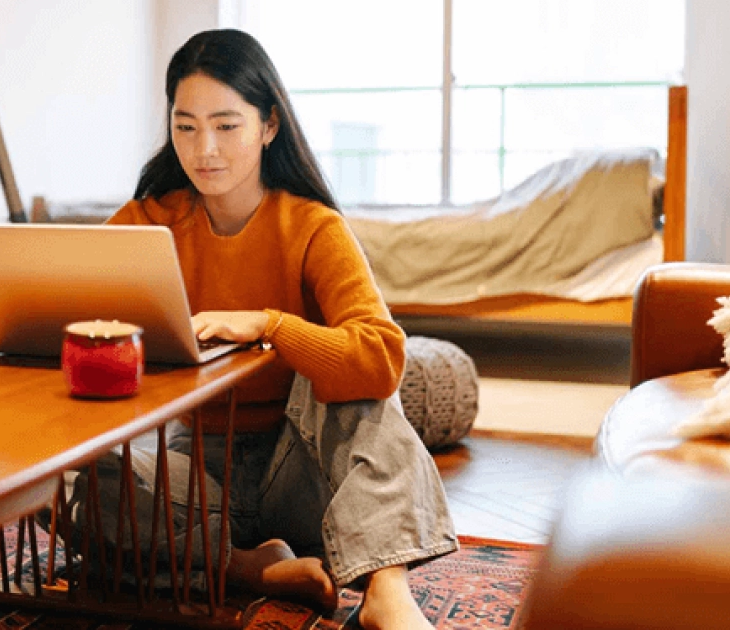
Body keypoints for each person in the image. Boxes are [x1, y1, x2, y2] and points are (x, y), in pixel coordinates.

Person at [62, 29, 458, 630]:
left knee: (363, 392)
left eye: (227, 125)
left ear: (269, 125)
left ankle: (387, 593)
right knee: (60, 487)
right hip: (195, 474)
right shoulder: (147, 223)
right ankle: (249, 568)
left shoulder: (311, 225)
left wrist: (272, 326)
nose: (205, 150)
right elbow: (75, 314)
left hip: (300, 470)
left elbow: (382, 358)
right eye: (186, 125)